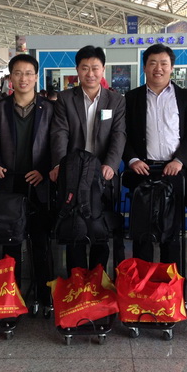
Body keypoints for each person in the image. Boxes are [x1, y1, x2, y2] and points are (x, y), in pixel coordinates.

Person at [123, 44, 187, 264]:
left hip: (174, 171)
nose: (158, 68)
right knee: (142, 233)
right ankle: (143, 278)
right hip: (143, 170)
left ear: (171, 67)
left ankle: (171, 279)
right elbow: (121, 133)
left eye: (163, 63)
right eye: (152, 63)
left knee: (171, 232)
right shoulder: (131, 98)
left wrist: (180, 160)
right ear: (144, 67)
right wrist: (132, 159)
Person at [50, 45, 126, 272]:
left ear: (103, 69)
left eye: (95, 68)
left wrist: (111, 164)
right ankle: (77, 279)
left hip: (103, 174)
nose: (90, 73)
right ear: (77, 70)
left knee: (100, 227)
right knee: (75, 226)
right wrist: (60, 165)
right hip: (74, 174)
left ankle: (98, 278)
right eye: (85, 68)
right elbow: (60, 132)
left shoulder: (115, 100)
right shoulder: (65, 98)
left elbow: (119, 134)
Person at [0, 54, 54, 305]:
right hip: (9, 182)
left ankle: (44, 294)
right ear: (10, 78)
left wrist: (44, 170)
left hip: (39, 183)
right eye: (17, 73)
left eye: (28, 73)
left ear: (36, 77)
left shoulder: (50, 109)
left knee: (40, 240)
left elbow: (57, 144)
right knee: (11, 241)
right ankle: (10, 295)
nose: (23, 78)